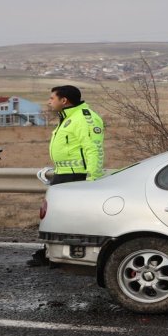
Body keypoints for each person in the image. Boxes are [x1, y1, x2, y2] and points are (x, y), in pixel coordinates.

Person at [29, 85, 105, 266]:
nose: (49, 101)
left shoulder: (85, 119)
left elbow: (93, 149)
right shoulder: (68, 117)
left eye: (52, 98)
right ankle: (52, 254)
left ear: (64, 101)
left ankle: (66, 257)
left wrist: (91, 180)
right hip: (63, 176)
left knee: (73, 220)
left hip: (76, 178)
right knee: (57, 218)